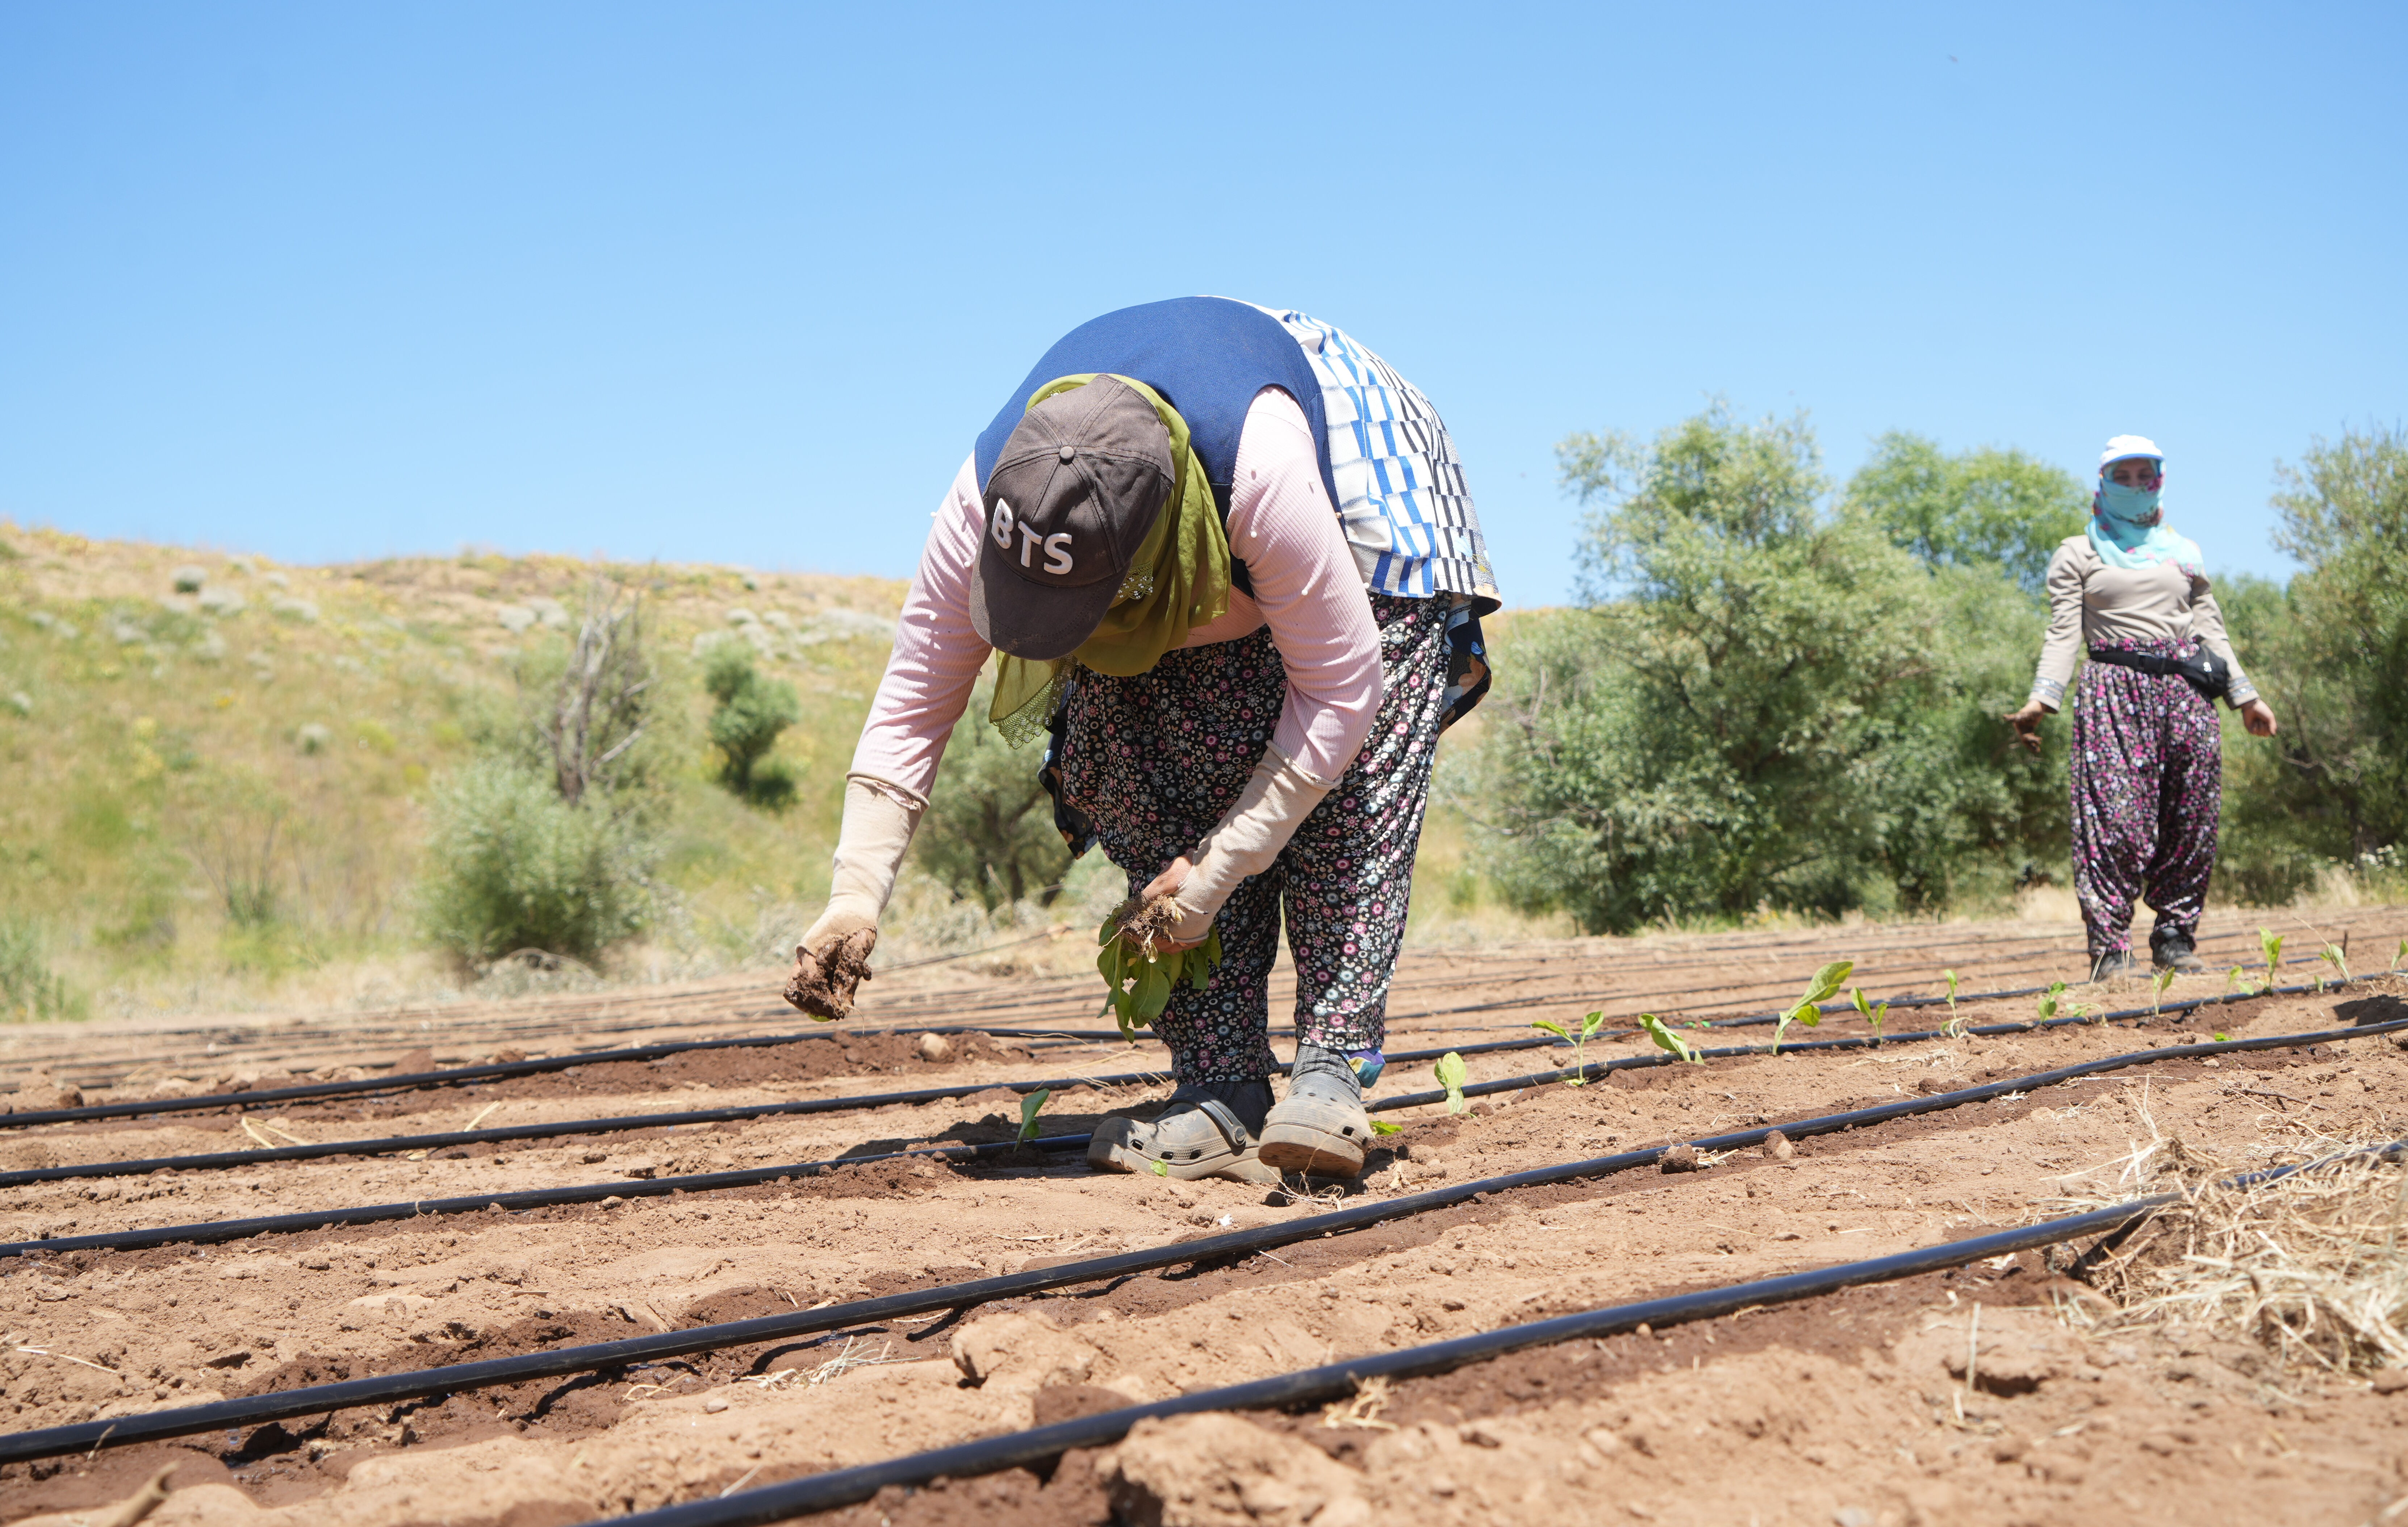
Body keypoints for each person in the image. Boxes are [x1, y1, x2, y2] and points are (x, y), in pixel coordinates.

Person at [786, 297, 1499, 1183]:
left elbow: (1343, 693)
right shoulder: (981, 501)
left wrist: (1220, 866)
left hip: (1352, 499)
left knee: (1351, 795)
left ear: (1152, 559)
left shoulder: (1267, 479)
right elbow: (914, 698)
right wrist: (855, 897)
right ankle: (1220, 1087)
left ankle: (1331, 1068)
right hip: (1197, 525)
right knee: (1133, 757)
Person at [2006, 435, 2278, 981]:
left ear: (2159, 481)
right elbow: (2064, 632)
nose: (2134, 486)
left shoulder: (2184, 552)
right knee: (2116, 825)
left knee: (2190, 821)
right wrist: (2043, 698)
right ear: (2102, 485)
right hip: (2114, 691)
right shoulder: (2077, 552)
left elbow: (2210, 629)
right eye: (2122, 477)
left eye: (2144, 476)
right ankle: (2110, 949)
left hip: (2187, 695)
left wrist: (2246, 696)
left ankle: (2175, 938)